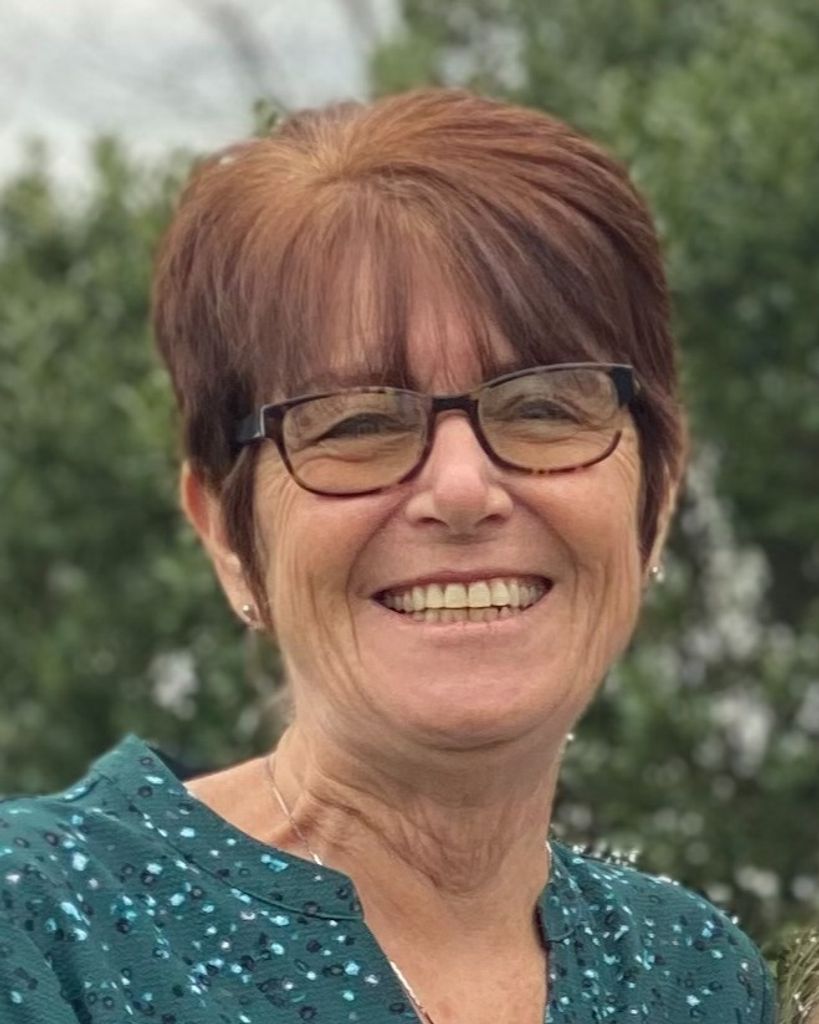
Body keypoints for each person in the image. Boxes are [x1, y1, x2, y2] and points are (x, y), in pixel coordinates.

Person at [0, 88, 775, 1023]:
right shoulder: (43, 925)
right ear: (226, 532)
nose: (462, 489)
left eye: (543, 408)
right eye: (357, 424)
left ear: (658, 490)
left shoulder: (694, 977)